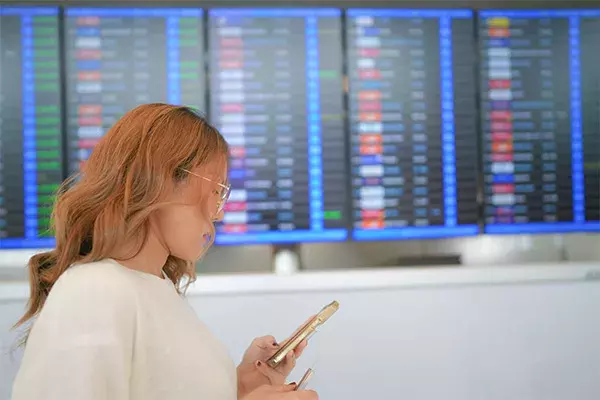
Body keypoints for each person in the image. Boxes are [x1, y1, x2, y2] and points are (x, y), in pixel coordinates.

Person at [11, 104, 318, 400]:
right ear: (162, 180)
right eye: (216, 191)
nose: (218, 213)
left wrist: (242, 386)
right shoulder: (93, 290)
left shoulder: (156, 288)